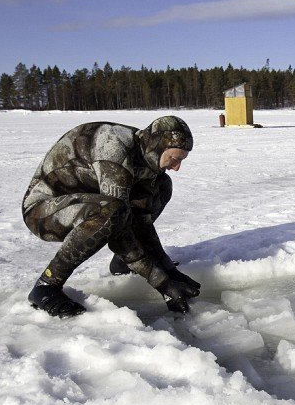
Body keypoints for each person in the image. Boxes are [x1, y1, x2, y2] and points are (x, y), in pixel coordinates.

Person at [22, 116, 201, 318]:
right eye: (175, 159)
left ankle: (122, 263)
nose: (177, 167)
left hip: (89, 203)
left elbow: (141, 222)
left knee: (161, 187)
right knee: (111, 212)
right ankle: (46, 286)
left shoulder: (147, 152)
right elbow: (118, 226)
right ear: (158, 147)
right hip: (43, 212)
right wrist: (160, 281)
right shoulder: (114, 150)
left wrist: (167, 268)